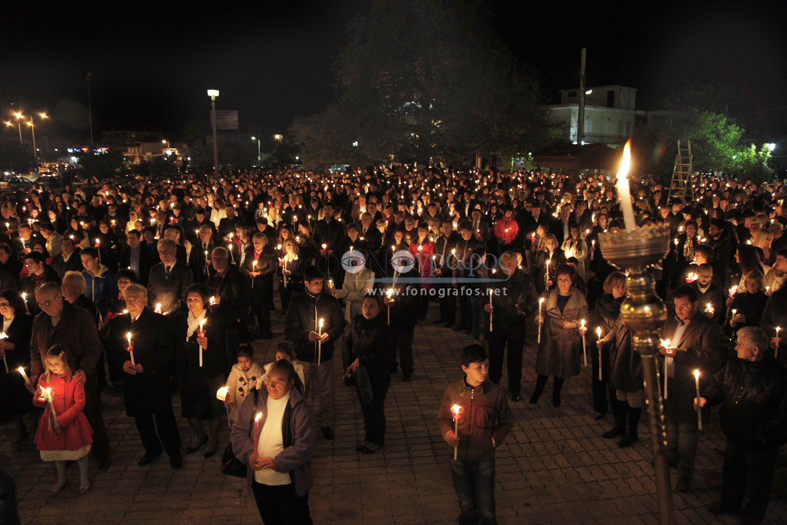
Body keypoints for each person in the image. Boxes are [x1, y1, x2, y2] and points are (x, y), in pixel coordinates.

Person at [699, 327, 787, 524]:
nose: (736, 346)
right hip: (735, 434)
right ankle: (729, 503)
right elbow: (718, 386)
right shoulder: (733, 365)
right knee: (732, 473)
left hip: (761, 442)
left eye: (740, 344)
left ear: (755, 350)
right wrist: (706, 397)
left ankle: (751, 517)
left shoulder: (777, 375)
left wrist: (764, 434)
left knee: (758, 484)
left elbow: (784, 413)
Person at [30, 282, 111, 471]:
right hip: (54, 382)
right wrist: (35, 373)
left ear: (60, 297)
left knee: (90, 418)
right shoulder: (39, 321)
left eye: (47, 303)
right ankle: (66, 454)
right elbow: (35, 349)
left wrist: (84, 369)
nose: (43, 307)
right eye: (40, 304)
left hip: (78, 380)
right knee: (60, 418)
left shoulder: (80, 316)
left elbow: (93, 346)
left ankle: (101, 453)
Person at [106, 284, 183, 469]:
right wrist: (121, 364)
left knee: (163, 416)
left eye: (135, 299)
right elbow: (113, 349)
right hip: (132, 379)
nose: (131, 303)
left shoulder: (159, 322)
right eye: (128, 300)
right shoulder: (118, 323)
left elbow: (166, 351)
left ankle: (173, 451)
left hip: (154, 378)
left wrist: (145, 366)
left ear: (144, 300)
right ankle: (151, 448)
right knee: (141, 418)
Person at [230, 359, 316, 525]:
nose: (271, 386)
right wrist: (248, 456)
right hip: (260, 482)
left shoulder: (300, 408)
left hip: (288, 483)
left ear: (291, 383)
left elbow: (304, 447)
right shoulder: (254, 400)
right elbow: (239, 432)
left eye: (279, 382)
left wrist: (277, 462)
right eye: (269, 379)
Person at [439, 344, 514, 525]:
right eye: (478, 367)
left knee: (486, 504)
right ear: (465, 368)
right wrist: (448, 433)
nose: (484, 371)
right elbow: (444, 419)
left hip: (484, 457)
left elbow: (507, 421)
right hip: (459, 457)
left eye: (486, 366)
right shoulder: (453, 391)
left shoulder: (495, 394)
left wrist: (494, 440)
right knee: (465, 502)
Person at [659, 284, 721, 492]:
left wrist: (678, 354)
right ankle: (672, 457)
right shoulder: (671, 322)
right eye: (676, 306)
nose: (679, 310)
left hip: (689, 386)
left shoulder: (707, 327)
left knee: (687, 429)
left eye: (684, 306)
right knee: (671, 422)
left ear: (695, 304)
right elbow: (665, 344)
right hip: (670, 382)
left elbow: (710, 356)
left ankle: (686, 472)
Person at [284, 265, 346, 441]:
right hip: (304, 355)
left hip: (324, 355)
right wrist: (305, 336)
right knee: (301, 392)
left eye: (322, 283)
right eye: (316, 283)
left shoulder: (330, 301)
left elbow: (339, 324)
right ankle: (298, 423)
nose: (320, 286)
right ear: (306, 283)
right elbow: (289, 329)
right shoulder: (297, 302)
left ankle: (325, 422)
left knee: (325, 392)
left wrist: (331, 334)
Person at [33, 344, 94, 495]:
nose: (53, 367)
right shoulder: (44, 378)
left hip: (71, 421)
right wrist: (40, 398)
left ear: (66, 362)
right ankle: (61, 479)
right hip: (51, 422)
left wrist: (62, 421)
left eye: (57, 364)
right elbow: (37, 402)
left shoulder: (75, 379)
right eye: (50, 364)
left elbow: (79, 403)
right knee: (57, 452)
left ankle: (84, 477)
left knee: (79, 451)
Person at [175, 284, 226, 458]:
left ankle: (212, 438)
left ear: (203, 301)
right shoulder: (181, 320)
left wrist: (207, 347)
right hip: (188, 372)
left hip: (210, 374)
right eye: (189, 299)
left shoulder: (215, 321)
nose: (192, 303)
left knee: (213, 409)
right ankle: (199, 435)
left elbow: (223, 350)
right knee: (190, 409)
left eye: (196, 299)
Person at [531, 265, 589, 407]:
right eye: (560, 279)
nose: (562, 282)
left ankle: (556, 393)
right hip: (550, 335)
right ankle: (538, 391)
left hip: (568, 339)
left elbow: (585, 317)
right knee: (545, 366)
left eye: (566, 279)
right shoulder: (548, 294)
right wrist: (539, 318)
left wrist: (576, 325)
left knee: (561, 368)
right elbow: (541, 311)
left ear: (572, 281)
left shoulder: (578, 297)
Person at [342, 294, 393, 453]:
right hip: (361, 375)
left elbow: (383, 355)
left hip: (377, 376)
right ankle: (368, 437)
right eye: (365, 305)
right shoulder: (356, 322)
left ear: (379, 309)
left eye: (371, 306)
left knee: (375, 408)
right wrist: (348, 364)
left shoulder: (384, 328)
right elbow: (346, 342)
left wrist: (361, 361)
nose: (367, 309)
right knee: (365, 406)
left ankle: (377, 440)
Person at [485, 251, 538, 402]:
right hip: (497, 322)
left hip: (516, 324)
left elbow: (534, 301)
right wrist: (486, 306)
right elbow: (484, 295)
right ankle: (494, 384)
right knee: (495, 356)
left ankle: (515, 388)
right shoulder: (494, 279)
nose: (506, 267)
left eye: (509, 264)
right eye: (503, 264)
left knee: (515, 358)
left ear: (517, 264)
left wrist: (524, 312)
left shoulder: (526, 280)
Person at [587, 272, 627, 419]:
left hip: (618, 347)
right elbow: (594, 319)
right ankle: (600, 407)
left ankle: (619, 410)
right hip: (600, 345)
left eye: (623, 286)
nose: (621, 290)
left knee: (615, 379)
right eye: (618, 286)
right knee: (599, 377)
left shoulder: (628, 304)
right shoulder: (601, 301)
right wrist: (588, 330)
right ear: (610, 287)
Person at [0, 290, 34, 442]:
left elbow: (29, 343)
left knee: (27, 395)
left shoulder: (25, 321)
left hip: (22, 363)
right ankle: (20, 428)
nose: (2, 307)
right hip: (4, 367)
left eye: (6, 304)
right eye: (0, 304)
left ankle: (35, 426)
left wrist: (11, 346)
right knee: (10, 397)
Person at [146, 238, 194, 315]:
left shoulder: (185, 271)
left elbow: (185, 295)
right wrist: (155, 308)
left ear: (174, 251)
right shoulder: (154, 269)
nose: (163, 255)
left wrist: (170, 311)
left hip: (177, 315)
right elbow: (151, 292)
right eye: (161, 252)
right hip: (157, 314)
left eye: (166, 252)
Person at [225, 345, 264, 427]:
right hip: (239, 404)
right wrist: (230, 399)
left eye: (246, 361)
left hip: (253, 404)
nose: (244, 364)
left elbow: (262, 386)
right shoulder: (235, 371)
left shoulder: (258, 371)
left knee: (252, 423)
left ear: (252, 359)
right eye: (240, 361)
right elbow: (230, 386)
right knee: (239, 422)